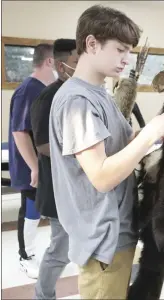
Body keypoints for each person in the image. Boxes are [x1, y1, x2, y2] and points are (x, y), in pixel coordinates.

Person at [48, 5, 164, 299]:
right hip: (103, 241)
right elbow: (100, 176)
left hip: (117, 234)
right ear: (91, 43)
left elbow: (123, 147)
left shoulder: (101, 95)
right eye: (120, 49)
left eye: (130, 51)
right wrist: (152, 131)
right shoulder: (78, 102)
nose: (127, 59)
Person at [30, 38, 79, 299]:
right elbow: (43, 145)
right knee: (60, 250)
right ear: (61, 66)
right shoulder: (48, 98)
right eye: (75, 62)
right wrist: (81, 153)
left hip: (79, 188)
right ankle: (43, 294)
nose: (81, 67)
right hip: (57, 189)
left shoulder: (78, 94)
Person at [8, 43, 55, 279]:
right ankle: (25, 256)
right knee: (30, 210)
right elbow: (20, 132)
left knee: (41, 210)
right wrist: (34, 167)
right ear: (49, 62)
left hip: (43, 164)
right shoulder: (29, 90)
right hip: (30, 167)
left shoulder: (44, 89)